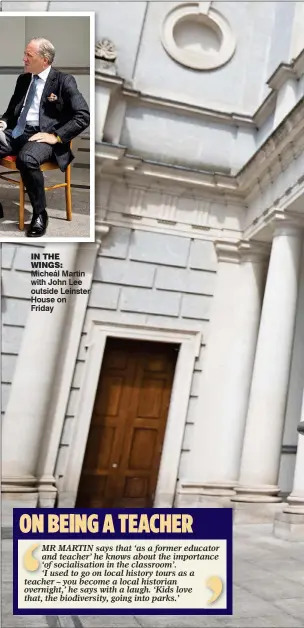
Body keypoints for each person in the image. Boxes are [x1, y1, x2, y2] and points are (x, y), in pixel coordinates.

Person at [0, 37, 90, 237]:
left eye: (28, 55)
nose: (23, 59)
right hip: (15, 132)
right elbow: (11, 111)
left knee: (27, 159)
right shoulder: (23, 80)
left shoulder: (64, 81)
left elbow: (83, 116)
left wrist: (56, 136)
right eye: (25, 54)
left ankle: (40, 214)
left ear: (45, 60)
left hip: (42, 136)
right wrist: (3, 122)